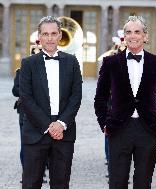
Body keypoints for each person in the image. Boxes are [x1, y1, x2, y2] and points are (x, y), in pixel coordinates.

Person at [94, 15, 156, 189]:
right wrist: (104, 123)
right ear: (124, 36)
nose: (133, 36)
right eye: (128, 32)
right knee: (117, 182)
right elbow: (100, 97)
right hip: (118, 129)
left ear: (145, 36)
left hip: (148, 129)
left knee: (143, 182)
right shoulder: (110, 62)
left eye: (137, 32)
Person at [20, 16, 82, 189]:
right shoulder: (28, 63)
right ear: (39, 36)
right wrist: (49, 126)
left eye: (53, 33)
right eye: (45, 34)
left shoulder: (72, 62)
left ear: (60, 35)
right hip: (35, 131)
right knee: (31, 183)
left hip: (64, 132)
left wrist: (61, 124)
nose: (49, 38)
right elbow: (26, 98)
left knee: (61, 184)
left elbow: (76, 96)